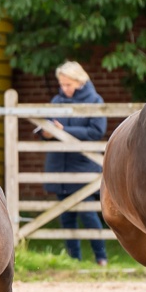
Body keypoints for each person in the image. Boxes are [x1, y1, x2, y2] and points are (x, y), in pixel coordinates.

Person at [36, 60, 109, 266]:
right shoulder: (56, 101)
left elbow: (96, 131)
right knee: (66, 215)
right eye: (62, 84)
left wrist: (65, 131)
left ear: (79, 82)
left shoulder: (95, 101)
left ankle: (101, 257)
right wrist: (47, 132)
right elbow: (48, 126)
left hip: (84, 165)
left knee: (88, 213)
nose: (64, 88)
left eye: (67, 84)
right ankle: (73, 259)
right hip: (60, 164)